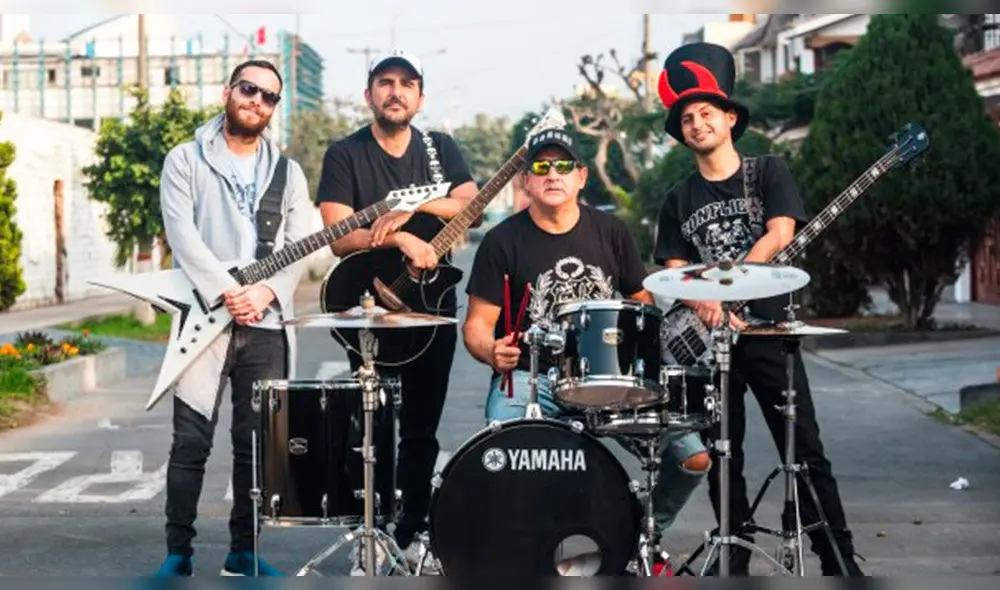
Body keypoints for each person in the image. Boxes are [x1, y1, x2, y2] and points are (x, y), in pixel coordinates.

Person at [652, 41, 865, 576]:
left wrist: (729, 285)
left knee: (806, 451)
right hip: (713, 343)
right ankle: (735, 560)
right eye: (687, 119)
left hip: (769, 333)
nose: (697, 124)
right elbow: (676, 270)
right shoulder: (678, 198)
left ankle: (837, 560)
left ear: (729, 118)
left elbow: (780, 232)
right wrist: (706, 300)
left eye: (706, 114)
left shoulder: (767, 172)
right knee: (726, 457)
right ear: (680, 134)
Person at [462, 128, 712, 576]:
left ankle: (638, 534)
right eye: (541, 167)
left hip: (609, 376)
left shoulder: (611, 232)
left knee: (693, 459)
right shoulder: (502, 242)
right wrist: (491, 351)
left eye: (563, 166)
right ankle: (525, 556)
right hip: (533, 376)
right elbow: (478, 326)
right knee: (503, 461)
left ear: (581, 177)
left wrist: (638, 341)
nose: (552, 174)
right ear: (526, 181)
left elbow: (641, 301)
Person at [315, 48, 477, 573]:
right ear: (369, 95)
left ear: (420, 98)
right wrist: (402, 238)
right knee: (374, 423)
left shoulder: (441, 149)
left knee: (422, 428)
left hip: (432, 306)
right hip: (370, 303)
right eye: (385, 83)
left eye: (407, 84)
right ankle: (373, 532)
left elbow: (471, 205)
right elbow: (338, 234)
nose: (396, 91)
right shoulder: (346, 153)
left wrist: (416, 210)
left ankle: (414, 532)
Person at [153, 59, 313, 577]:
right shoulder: (186, 159)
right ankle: (178, 554)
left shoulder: (288, 173)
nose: (257, 102)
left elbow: (297, 248)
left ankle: (243, 554)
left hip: (265, 324)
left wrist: (265, 290)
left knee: (255, 446)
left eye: (269, 97)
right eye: (249, 89)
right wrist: (229, 292)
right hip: (204, 319)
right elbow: (182, 235)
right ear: (229, 92)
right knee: (191, 441)